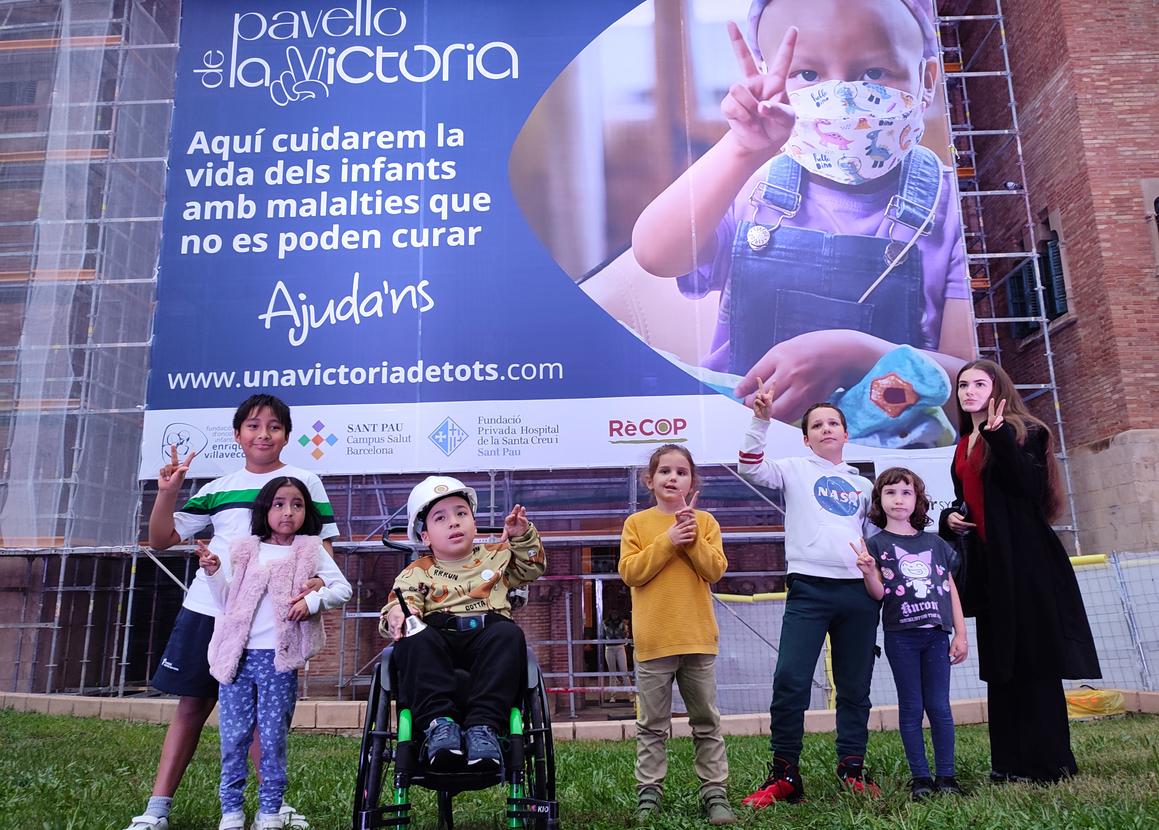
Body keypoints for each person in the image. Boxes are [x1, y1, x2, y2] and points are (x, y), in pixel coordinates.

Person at [631, 0, 972, 432]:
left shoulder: (954, 210)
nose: (843, 96)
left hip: (884, 460)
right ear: (770, 78)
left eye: (874, 73)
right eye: (808, 75)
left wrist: (855, 353)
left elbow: (969, 391)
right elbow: (655, 255)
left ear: (926, 81)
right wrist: (741, 148)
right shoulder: (748, 187)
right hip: (744, 440)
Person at [124, 394, 338, 830]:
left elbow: (320, 551)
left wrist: (315, 588)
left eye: (274, 427)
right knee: (191, 705)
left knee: (263, 712)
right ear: (238, 434)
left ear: (287, 435)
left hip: (268, 622)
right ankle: (156, 809)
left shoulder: (305, 482)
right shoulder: (217, 488)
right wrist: (167, 494)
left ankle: (271, 807)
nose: (264, 434)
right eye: (254, 426)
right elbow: (161, 538)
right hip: (210, 609)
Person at [940, 359, 1100, 783]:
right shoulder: (962, 443)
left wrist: (999, 438)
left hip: (1028, 564)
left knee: (1035, 661)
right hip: (990, 568)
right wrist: (950, 520)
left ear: (998, 388)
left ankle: (1050, 764)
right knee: (1001, 664)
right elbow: (968, 500)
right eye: (962, 385)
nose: (969, 391)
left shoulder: (1026, 431)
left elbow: (1028, 491)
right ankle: (1008, 765)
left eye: (979, 383)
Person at [737, 380, 880, 806]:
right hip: (809, 589)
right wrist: (760, 420)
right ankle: (784, 775)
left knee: (856, 685)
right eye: (817, 424)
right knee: (791, 679)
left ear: (846, 433)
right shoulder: (794, 469)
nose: (826, 429)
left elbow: (874, 539)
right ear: (806, 437)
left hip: (857, 594)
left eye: (834, 423)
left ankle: (852, 767)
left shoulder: (864, 487)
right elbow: (749, 466)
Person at [201, 477, 352, 830]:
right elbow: (226, 602)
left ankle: (269, 811)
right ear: (265, 509)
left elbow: (341, 589)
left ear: (306, 511)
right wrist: (213, 573)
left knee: (272, 737)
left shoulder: (309, 550)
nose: (288, 512)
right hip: (236, 658)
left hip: (278, 660)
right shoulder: (244, 549)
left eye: (297, 504)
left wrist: (313, 600)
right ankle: (232, 811)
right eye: (279, 504)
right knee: (234, 736)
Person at [380, 476, 546, 772]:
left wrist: (521, 536)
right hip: (437, 638)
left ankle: (483, 727)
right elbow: (402, 601)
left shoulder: (497, 557)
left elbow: (532, 568)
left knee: (508, 634)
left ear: (474, 523)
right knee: (415, 638)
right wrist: (398, 614)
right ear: (426, 536)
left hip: (487, 633)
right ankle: (439, 725)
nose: (454, 522)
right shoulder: (416, 572)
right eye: (440, 518)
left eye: (461, 513)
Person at [618, 445, 735, 826]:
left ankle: (715, 792)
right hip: (654, 641)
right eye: (665, 471)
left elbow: (714, 570)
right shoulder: (636, 524)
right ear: (648, 480)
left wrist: (692, 536)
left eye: (681, 472)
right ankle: (648, 793)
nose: (673, 478)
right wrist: (669, 539)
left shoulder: (706, 522)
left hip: (698, 638)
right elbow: (631, 573)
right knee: (652, 725)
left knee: (706, 721)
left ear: (692, 480)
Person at [852, 466, 968, 801]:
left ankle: (947, 777)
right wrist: (870, 572)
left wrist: (960, 633)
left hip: (936, 634)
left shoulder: (934, 544)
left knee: (940, 706)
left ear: (918, 500)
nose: (898, 499)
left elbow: (949, 589)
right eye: (890, 492)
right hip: (900, 635)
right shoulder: (875, 545)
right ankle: (920, 778)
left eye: (906, 492)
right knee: (911, 706)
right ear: (879, 500)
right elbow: (878, 593)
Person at [600, 610, 631, 703]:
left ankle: (630, 694)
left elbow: (626, 635)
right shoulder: (605, 623)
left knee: (624, 671)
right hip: (610, 647)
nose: (614, 616)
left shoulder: (622, 624)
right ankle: (613, 695)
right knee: (612, 673)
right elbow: (602, 635)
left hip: (619, 647)